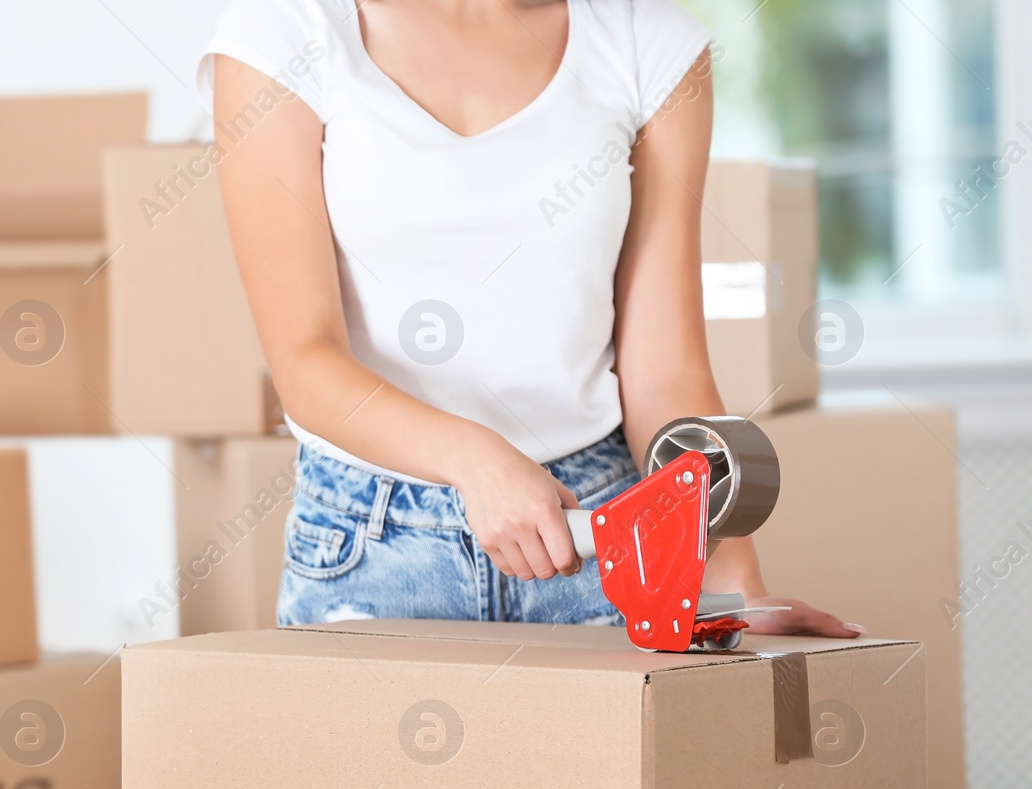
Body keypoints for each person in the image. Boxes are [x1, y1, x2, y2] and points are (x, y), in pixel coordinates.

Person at [202, 0, 859, 637]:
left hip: (599, 538)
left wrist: (736, 590)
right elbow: (304, 363)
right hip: (374, 551)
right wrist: (477, 463)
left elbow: (666, 378)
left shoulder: (648, 41)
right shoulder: (285, 30)